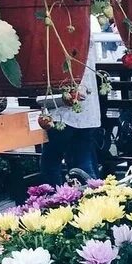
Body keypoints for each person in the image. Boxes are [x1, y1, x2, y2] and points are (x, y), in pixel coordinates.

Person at [39, 15, 103, 184]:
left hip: (62, 107)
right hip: (87, 105)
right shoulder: (86, 19)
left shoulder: (53, 24)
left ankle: (55, 201)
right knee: (83, 159)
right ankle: (95, 200)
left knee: (51, 159)